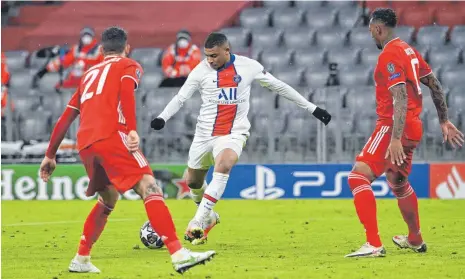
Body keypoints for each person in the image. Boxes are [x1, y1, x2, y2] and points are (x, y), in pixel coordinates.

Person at [39, 26, 215, 274]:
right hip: (112, 136)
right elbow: (125, 94)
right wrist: (132, 129)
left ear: (101, 50)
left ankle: (81, 258)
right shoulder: (129, 65)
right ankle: (178, 253)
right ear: (127, 48)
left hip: (86, 144)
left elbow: (67, 116)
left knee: (108, 198)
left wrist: (50, 154)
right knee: (150, 187)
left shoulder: (88, 75)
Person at [150, 32, 332, 245]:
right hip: (203, 135)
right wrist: (162, 117)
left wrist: (312, 108)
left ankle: (197, 221)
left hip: (233, 133)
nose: (210, 60)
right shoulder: (200, 71)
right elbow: (181, 97)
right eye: (207, 55)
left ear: (227, 51)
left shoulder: (249, 66)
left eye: (214, 56)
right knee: (193, 182)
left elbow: (279, 86)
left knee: (224, 164)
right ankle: (209, 218)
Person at [345, 8, 464, 258]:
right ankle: (415, 238)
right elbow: (435, 84)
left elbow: (399, 97)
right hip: (414, 125)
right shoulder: (409, 50)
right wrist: (444, 120)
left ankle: (373, 243)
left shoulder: (389, 54)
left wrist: (395, 138)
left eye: (371, 32)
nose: (371, 37)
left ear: (378, 29)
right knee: (398, 183)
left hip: (392, 126)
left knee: (358, 177)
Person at [32, 27, 104, 90]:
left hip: (92, 82)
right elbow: (64, 61)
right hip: (74, 81)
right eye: (84, 35)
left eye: (88, 35)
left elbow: (105, 65)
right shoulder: (76, 49)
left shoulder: (99, 50)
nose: (86, 38)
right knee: (60, 86)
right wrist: (44, 71)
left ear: (92, 37)